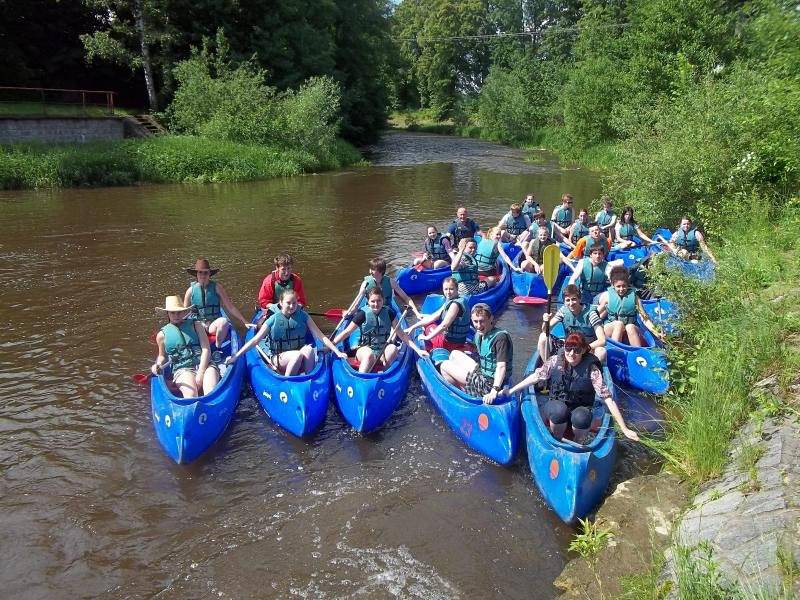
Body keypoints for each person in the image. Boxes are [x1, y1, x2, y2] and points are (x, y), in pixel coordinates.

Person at [504, 332, 639, 443]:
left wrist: (624, 428)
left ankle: (577, 444)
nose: (571, 353)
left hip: (580, 407)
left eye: (577, 350)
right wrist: (511, 390)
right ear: (565, 348)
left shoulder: (591, 369)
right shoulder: (555, 360)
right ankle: (556, 440)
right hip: (557, 404)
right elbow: (535, 377)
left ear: (584, 351)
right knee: (559, 411)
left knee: (582, 418)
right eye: (568, 348)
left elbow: (608, 398)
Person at [225, 289, 346, 375]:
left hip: (297, 355)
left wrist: (337, 352)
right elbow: (255, 340)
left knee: (309, 349)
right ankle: (287, 382)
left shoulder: (303, 316)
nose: (292, 306)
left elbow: (320, 336)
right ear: (281, 303)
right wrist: (235, 357)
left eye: (294, 303)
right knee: (297, 355)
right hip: (278, 357)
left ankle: (309, 379)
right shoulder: (273, 319)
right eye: (288, 303)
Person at [332, 286, 428, 373]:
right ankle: (362, 377)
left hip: (383, 350)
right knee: (369, 355)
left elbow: (402, 335)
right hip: (365, 350)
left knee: (393, 349)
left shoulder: (389, 312)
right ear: (368, 301)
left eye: (379, 301)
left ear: (383, 300)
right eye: (372, 301)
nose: (376, 304)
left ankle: (385, 374)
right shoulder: (362, 314)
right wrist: (330, 346)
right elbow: (347, 332)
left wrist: (418, 350)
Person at [439, 303, 513, 405]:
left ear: (491, 318)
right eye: (475, 321)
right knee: (454, 354)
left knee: (444, 366)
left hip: (490, 385)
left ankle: (463, 396)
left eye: (482, 321)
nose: (478, 326)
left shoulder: (500, 338)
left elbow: (501, 366)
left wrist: (494, 391)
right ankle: (468, 387)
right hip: (483, 375)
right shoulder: (479, 335)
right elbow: (482, 357)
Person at [151, 295, 217, 398]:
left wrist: (201, 372)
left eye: (179, 312)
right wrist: (158, 364)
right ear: (168, 314)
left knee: (210, 392)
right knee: (191, 394)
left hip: (205, 364)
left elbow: (206, 349)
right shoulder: (161, 335)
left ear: (184, 312)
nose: (176, 315)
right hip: (182, 368)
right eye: (172, 312)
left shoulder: (197, 325)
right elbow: (162, 356)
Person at [182, 257, 250, 346]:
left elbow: (230, 307)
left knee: (224, 322)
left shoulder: (217, 287)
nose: (203, 275)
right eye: (200, 272)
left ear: (209, 273)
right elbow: (184, 313)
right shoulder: (190, 291)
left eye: (205, 272)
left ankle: (218, 347)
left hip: (213, 324)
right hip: (198, 325)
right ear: (196, 274)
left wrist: (244, 321)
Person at [595, 267, 665, 347]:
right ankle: (614, 350)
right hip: (612, 328)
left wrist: (657, 332)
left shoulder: (634, 297)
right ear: (613, 285)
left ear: (628, 285)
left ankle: (637, 353)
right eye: (618, 286)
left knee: (630, 326)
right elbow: (596, 314)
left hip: (630, 329)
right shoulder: (607, 296)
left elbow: (645, 318)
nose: (621, 289)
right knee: (619, 324)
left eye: (624, 286)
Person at [538, 284, 607, 362]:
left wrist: (583, 349)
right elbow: (545, 330)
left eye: (574, 299)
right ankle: (547, 366)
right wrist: (545, 321)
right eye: (567, 300)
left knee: (601, 351)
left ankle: (593, 370)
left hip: (587, 348)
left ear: (579, 299)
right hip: (570, 347)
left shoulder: (591, 314)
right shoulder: (563, 311)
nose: (571, 303)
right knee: (543, 337)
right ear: (564, 302)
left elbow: (602, 340)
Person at [405, 277, 472, 351]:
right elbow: (433, 317)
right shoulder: (455, 300)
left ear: (457, 289)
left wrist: (427, 337)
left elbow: (444, 325)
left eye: (451, 289)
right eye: (446, 289)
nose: (448, 292)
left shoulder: (455, 305)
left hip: (449, 343)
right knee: (427, 320)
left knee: (429, 326)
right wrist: (412, 327)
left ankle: (430, 347)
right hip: (459, 341)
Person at [358, 258, 422, 319]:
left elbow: (406, 298)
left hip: (386, 310)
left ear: (381, 271)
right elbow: (357, 302)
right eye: (370, 269)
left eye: (373, 269)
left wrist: (417, 313)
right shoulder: (366, 283)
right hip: (371, 309)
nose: (370, 271)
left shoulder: (391, 282)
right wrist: (351, 312)